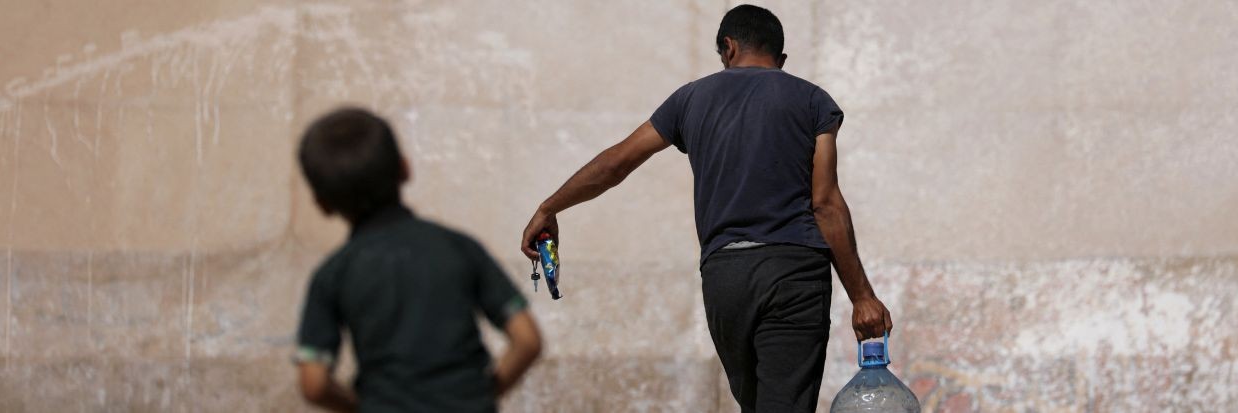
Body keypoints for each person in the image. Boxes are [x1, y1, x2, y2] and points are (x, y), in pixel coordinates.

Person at [519, 5, 892, 412]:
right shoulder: (812, 101)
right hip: (794, 272)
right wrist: (862, 297)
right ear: (780, 59)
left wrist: (549, 207)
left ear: (728, 48)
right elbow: (826, 203)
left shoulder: (689, 99)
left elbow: (616, 164)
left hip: (725, 278)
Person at [294, 107, 542, 412]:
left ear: (322, 204)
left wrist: (362, 407)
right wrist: (482, 394)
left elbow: (314, 383)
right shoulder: (459, 248)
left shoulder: (333, 274)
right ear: (405, 169)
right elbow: (527, 340)